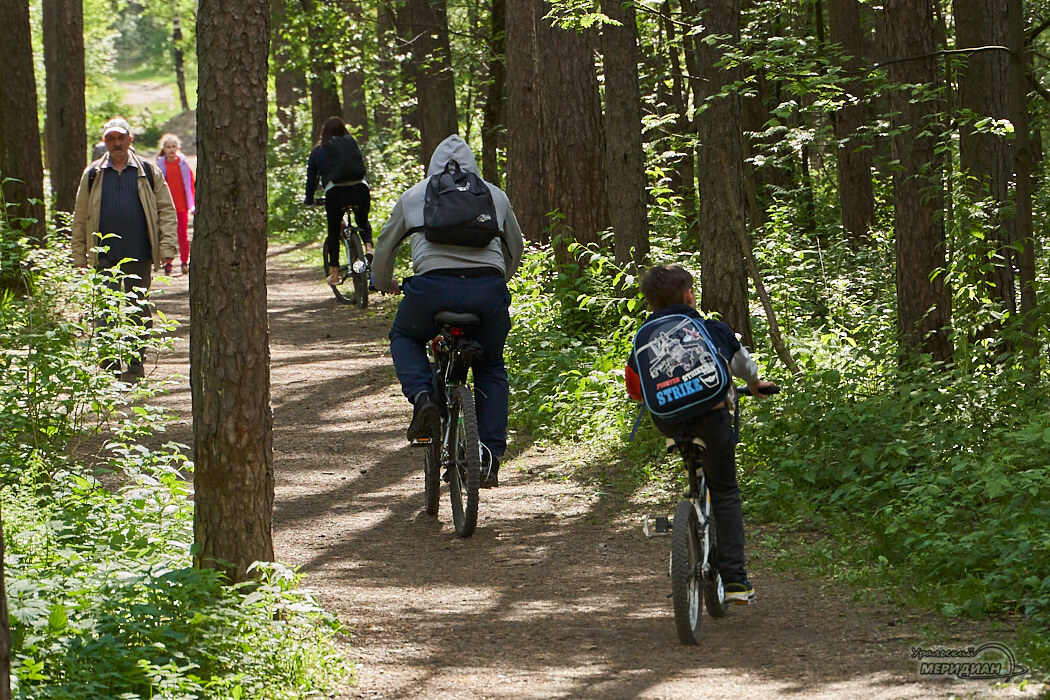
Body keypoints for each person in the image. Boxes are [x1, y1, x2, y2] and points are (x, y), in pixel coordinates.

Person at [372, 134, 525, 488]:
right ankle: (488, 458)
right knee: (490, 366)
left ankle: (424, 397)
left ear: (432, 166)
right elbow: (515, 248)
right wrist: (497, 279)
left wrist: (382, 283)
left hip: (432, 291)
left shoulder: (415, 195)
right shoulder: (494, 195)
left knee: (404, 336)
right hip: (488, 292)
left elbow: (385, 246)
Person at [625, 264, 776, 603]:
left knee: (691, 453)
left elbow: (635, 390)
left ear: (650, 303)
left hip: (670, 422)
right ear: (689, 296)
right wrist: (754, 384)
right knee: (724, 491)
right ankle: (735, 581)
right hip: (712, 420)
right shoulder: (712, 329)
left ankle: (687, 517)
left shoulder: (643, 340)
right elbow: (743, 365)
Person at [71, 116, 178, 381]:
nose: (116, 143)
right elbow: (80, 215)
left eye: (121, 138)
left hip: (139, 252)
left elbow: (166, 210)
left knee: (138, 308)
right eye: (111, 138)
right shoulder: (93, 174)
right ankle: (108, 365)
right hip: (102, 254)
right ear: (104, 142)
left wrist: (167, 246)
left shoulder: (147, 171)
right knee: (105, 310)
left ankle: (135, 361)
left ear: (130, 139)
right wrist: (79, 255)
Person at [304, 116, 372, 285]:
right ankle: (369, 248)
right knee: (362, 220)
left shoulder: (319, 151)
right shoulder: (351, 144)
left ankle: (335, 274)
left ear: (324, 132)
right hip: (360, 189)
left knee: (334, 231)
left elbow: (312, 179)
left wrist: (309, 199)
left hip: (336, 193)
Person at [155, 133, 195, 276]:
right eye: (168, 147)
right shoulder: (160, 165)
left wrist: (191, 203)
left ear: (178, 148)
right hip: (166, 207)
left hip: (181, 205)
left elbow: (190, 184)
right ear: (163, 149)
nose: (171, 149)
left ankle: (184, 261)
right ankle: (167, 263)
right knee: (167, 234)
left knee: (182, 235)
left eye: (174, 146)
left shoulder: (183, 164)